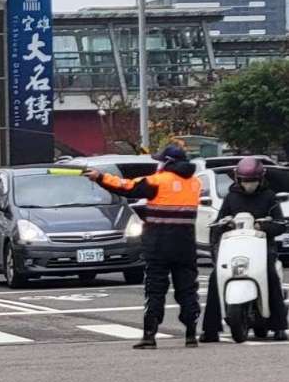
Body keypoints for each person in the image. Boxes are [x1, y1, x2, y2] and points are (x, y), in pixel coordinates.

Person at [84, 144, 202, 349]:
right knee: (188, 289)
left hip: (159, 244)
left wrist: (100, 177)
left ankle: (149, 335)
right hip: (185, 245)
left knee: (155, 289)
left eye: (160, 161)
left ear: (168, 163)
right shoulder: (195, 183)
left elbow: (125, 186)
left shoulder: (157, 181)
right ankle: (191, 334)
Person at [200, 157, 288, 343]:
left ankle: (279, 326)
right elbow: (219, 222)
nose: (249, 184)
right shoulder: (231, 197)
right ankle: (210, 329)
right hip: (235, 247)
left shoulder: (269, 196)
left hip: (262, 248)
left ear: (261, 178)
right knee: (215, 278)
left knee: (271, 276)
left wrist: (263, 227)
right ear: (238, 179)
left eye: (253, 180)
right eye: (246, 180)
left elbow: (280, 225)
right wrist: (226, 225)